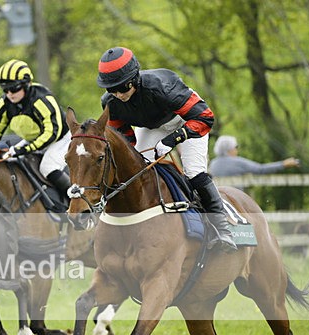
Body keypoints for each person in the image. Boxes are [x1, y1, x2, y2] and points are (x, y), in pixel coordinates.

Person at [96, 46, 237, 253]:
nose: (118, 94)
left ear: (133, 79)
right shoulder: (111, 102)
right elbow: (123, 137)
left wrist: (173, 140)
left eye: (122, 88)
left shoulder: (161, 86)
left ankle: (222, 228)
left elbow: (205, 117)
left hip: (187, 119)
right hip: (152, 126)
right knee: (137, 171)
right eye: (111, 90)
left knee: (194, 173)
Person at [0, 59, 71, 198]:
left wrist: (23, 149)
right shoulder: (5, 102)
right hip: (34, 139)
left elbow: (52, 131)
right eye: (5, 89)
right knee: (13, 163)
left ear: (26, 85)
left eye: (14, 88)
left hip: (60, 139)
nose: (10, 93)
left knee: (47, 167)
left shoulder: (41, 99)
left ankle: (79, 201)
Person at [210, 135, 300, 183]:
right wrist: (283, 164)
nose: (237, 149)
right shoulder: (237, 162)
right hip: (235, 201)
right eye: (236, 147)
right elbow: (260, 169)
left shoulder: (213, 163)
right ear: (230, 149)